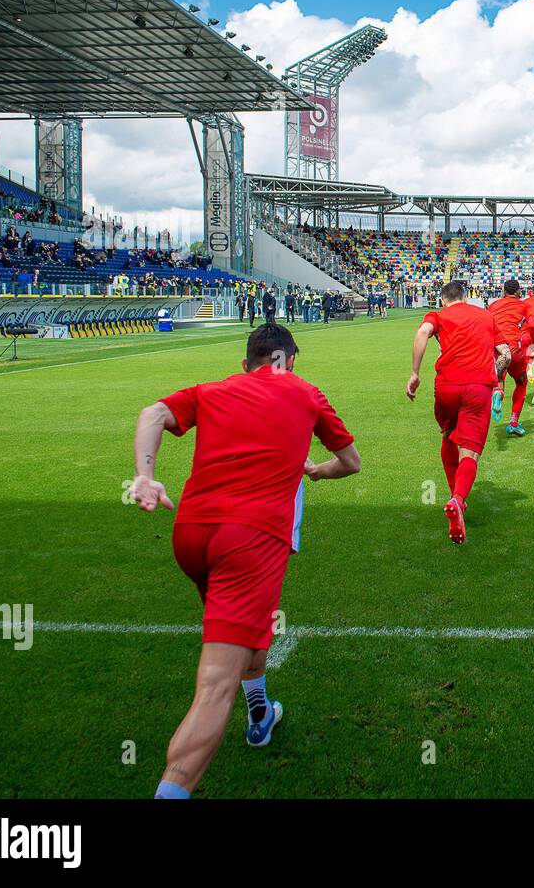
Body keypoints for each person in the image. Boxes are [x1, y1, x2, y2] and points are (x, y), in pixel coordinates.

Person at [130, 324, 360, 798]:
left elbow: (153, 412)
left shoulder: (213, 389)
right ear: (291, 362)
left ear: (246, 364)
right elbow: (351, 462)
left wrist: (145, 476)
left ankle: (260, 712)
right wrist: (317, 472)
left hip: (191, 535)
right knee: (215, 686)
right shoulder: (307, 393)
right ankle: (171, 790)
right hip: (249, 540)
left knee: (244, 631)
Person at [406, 281, 511, 543]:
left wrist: (415, 373)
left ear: (443, 300)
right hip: (477, 388)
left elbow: (422, 334)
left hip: (446, 388)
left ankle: (455, 495)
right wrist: (493, 375)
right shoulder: (486, 316)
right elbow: (506, 355)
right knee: (470, 451)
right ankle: (458, 500)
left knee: (447, 434)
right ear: (466, 298)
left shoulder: (438, 315)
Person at [486, 279, 534, 436]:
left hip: (496, 348)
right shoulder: (525, 306)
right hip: (514, 348)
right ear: (519, 292)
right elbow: (533, 326)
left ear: (503, 292)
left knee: (499, 377)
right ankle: (513, 422)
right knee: (521, 382)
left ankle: (498, 394)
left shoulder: (492, 306)